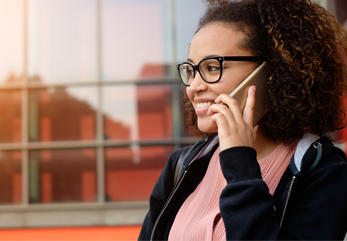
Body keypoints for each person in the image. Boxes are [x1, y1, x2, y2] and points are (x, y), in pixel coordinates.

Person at [139, 0, 347, 240]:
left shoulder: (323, 171)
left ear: (270, 73)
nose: (194, 87)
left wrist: (240, 165)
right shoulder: (183, 165)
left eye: (212, 67)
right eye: (191, 70)